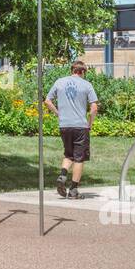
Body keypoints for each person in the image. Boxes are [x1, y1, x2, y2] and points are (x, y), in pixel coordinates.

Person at [44, 59, 99, 199]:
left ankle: (63, 175)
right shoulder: (87, 85)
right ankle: (73, 190)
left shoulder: (59, 82)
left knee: (69, 154)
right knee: (79, 159)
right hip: (80, 126)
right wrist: (90, 123)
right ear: (83, 72)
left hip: (64, 125)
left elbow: (47, 101)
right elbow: (94, 108)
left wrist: (58, 113)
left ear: (72, 70)